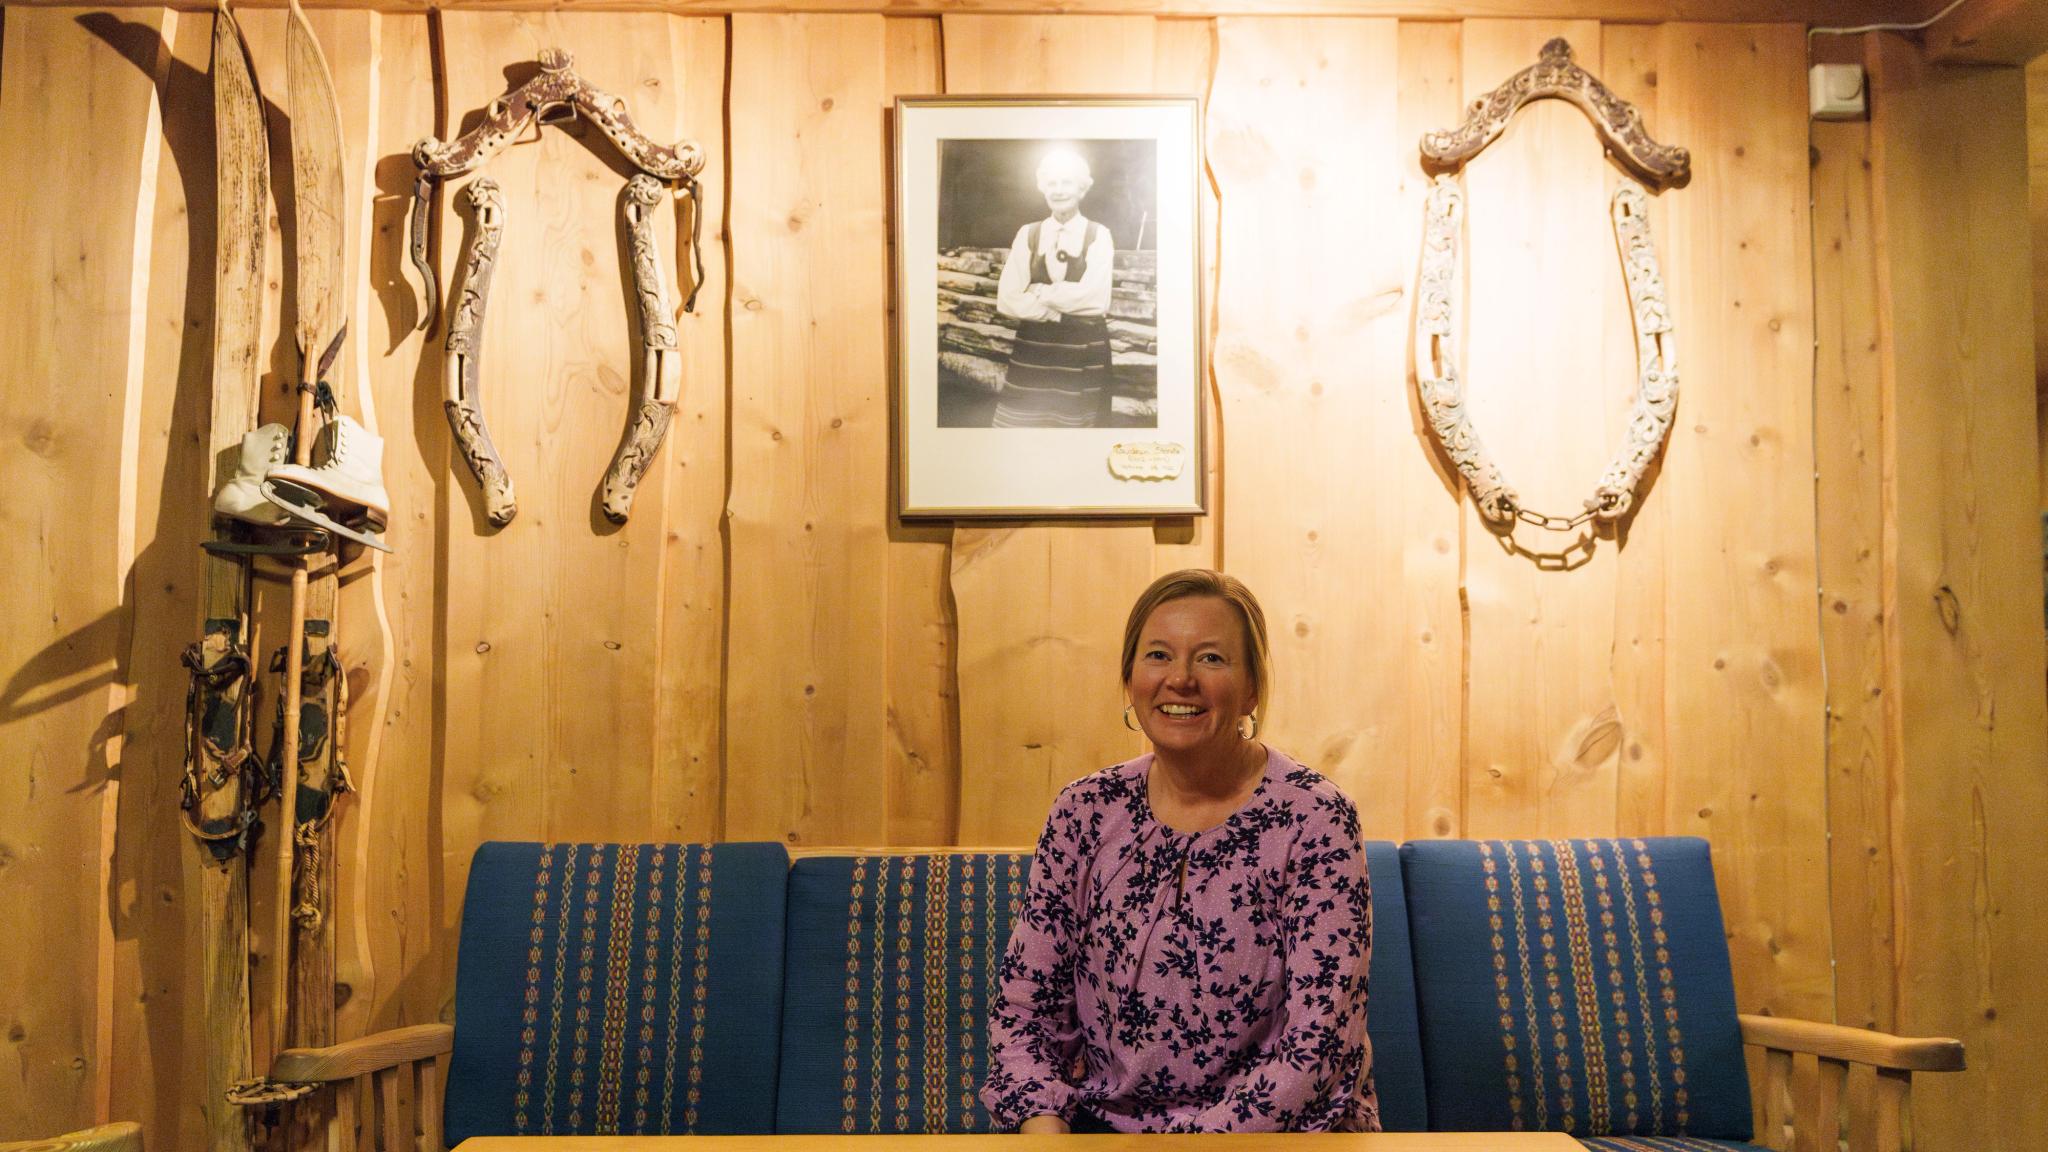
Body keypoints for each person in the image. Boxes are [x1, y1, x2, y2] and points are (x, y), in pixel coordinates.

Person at [982, 570, 1380, 1133]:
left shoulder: (1315, 817)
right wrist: (1045, 1131)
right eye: (1159, 655)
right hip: (1109, 1135)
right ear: (1130, 680)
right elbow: (1026, 1011)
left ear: (1251, 689)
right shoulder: (1084, 811)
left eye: (1212, 659)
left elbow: (1317, 1043)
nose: (1181, 680)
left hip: (1283, 1138)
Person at [991, 148, 1118, 429]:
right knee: (1017, 431)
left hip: (1082, 351)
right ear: (1042, 188)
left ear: (1082, 189)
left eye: (1067, 182)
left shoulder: (1099, 235)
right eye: (1052, 183)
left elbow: (1096, 301)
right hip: (1033, 351)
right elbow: (1007, 300)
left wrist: (1040, 291)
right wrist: (1059, 312)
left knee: (1074, 435)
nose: (1059, 190)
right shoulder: (1029, 233)